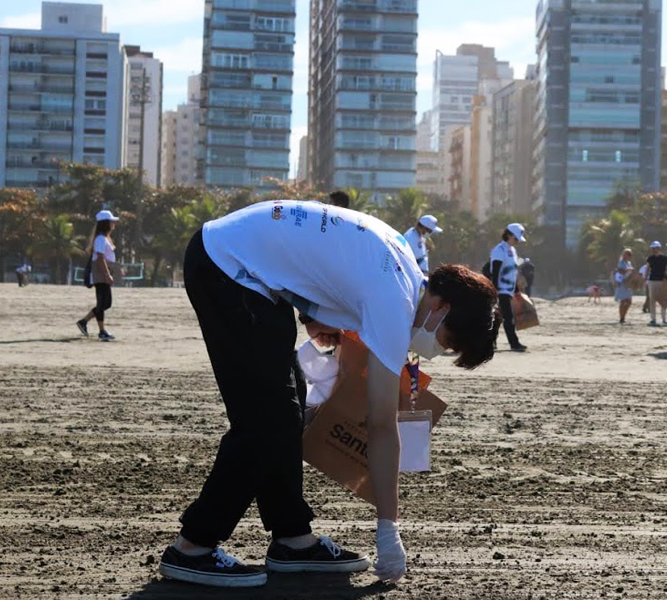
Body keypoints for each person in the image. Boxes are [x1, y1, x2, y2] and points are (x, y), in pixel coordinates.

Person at [160, 200, 501, 588]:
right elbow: (382, 425)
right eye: (448, 342)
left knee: (285, 409)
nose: (438, 350)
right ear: (440, 308)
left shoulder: (405, 268)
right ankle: (193, 546)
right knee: (266, 420)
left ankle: (292, 538)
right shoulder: (395, 303)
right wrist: (388, 528)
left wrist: (314, 315)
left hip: (242, 266)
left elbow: (324, 262)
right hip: (226, 267)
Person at [76, 210, 120, 341]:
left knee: (105, 303)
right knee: (103, 303)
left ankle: (84, 322)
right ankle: (101, 331)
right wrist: (107, 274)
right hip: (100, 272)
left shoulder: (103, 238)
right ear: (106, 223)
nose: (113, 224)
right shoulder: (100, 239)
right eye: (111, 222)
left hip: (102, 272)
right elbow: (100, 258)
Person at [489, 223, 527, 352]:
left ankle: (491, 342)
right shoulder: (499, 250)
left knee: (497, 318)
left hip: (508, 290)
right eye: (516, 238)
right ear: (509, 235)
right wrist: (494, 290)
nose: (517, 242)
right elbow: (495, 271)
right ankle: (514, 343)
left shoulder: (512, 250)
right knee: (507, 317)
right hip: (500, 290)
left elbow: (512, 272)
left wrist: (516, 289)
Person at [645, 241, 667, 326]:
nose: (655, 250)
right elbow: (647, 269)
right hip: (652, 280)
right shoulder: (650, 258)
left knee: (662, 300)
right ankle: (653, 319)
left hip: (662, 281)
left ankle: (664, 319)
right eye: (653, 248)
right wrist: (645, 278)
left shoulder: (665, 258)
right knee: (652, 300)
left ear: (659, 248)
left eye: (656, 248)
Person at [614, 249, 635, 324]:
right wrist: (629, 270)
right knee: (623, 301)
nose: (630, 255)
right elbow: (620, 271)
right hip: (622, 283)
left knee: (629, 301)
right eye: (628, 254)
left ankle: (623, 316)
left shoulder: (629, 263)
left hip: (628, 283)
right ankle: (621, 318)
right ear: (625, 255)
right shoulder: (621, 262)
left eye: (630, 254)